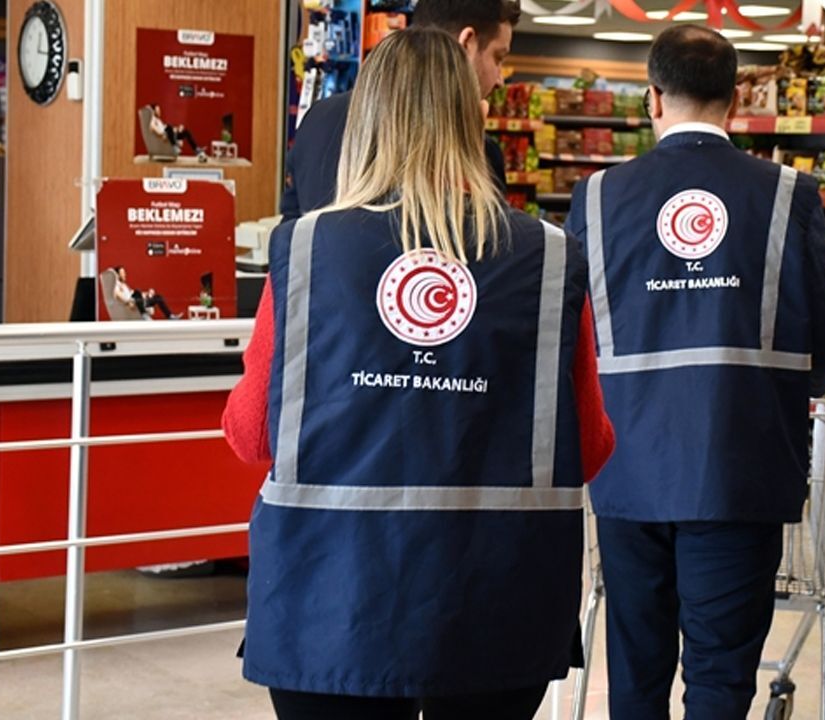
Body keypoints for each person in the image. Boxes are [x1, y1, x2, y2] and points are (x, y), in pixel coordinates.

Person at [223, 27, 614, 720]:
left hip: (331, 598)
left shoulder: (307, 249)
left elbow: (251, 434)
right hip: (499, 598)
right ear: (471, 118)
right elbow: (587, 447)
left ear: (365, 120)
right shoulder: (550, 258)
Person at [565, 25, 825, 720]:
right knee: (722, 678)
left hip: (628, 474)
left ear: (652, 98)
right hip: (742, 468)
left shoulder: (597, 198)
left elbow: (569, 332)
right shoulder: (788, 194)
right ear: (735, 99)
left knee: (636, 673)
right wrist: (794, 387)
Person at [279, 0, 518, 220]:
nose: (500, 80)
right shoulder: (478, 153)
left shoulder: (318, 120)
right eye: (498, 58)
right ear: (467, 44)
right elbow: (493, 246)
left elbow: (291, 232)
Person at [111, 266, 176, 319]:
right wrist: (128, 302)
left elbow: (132, 293)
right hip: (132, 302)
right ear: (117, 275)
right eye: (122, 273)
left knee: (158, 297)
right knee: (137, 292)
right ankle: (144, 315)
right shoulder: (116, 285)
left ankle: (170, 316)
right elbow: (117, 295)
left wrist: (147, 293)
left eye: (124, 273)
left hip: (139, 301)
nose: (125, 274)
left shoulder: (125, 285)